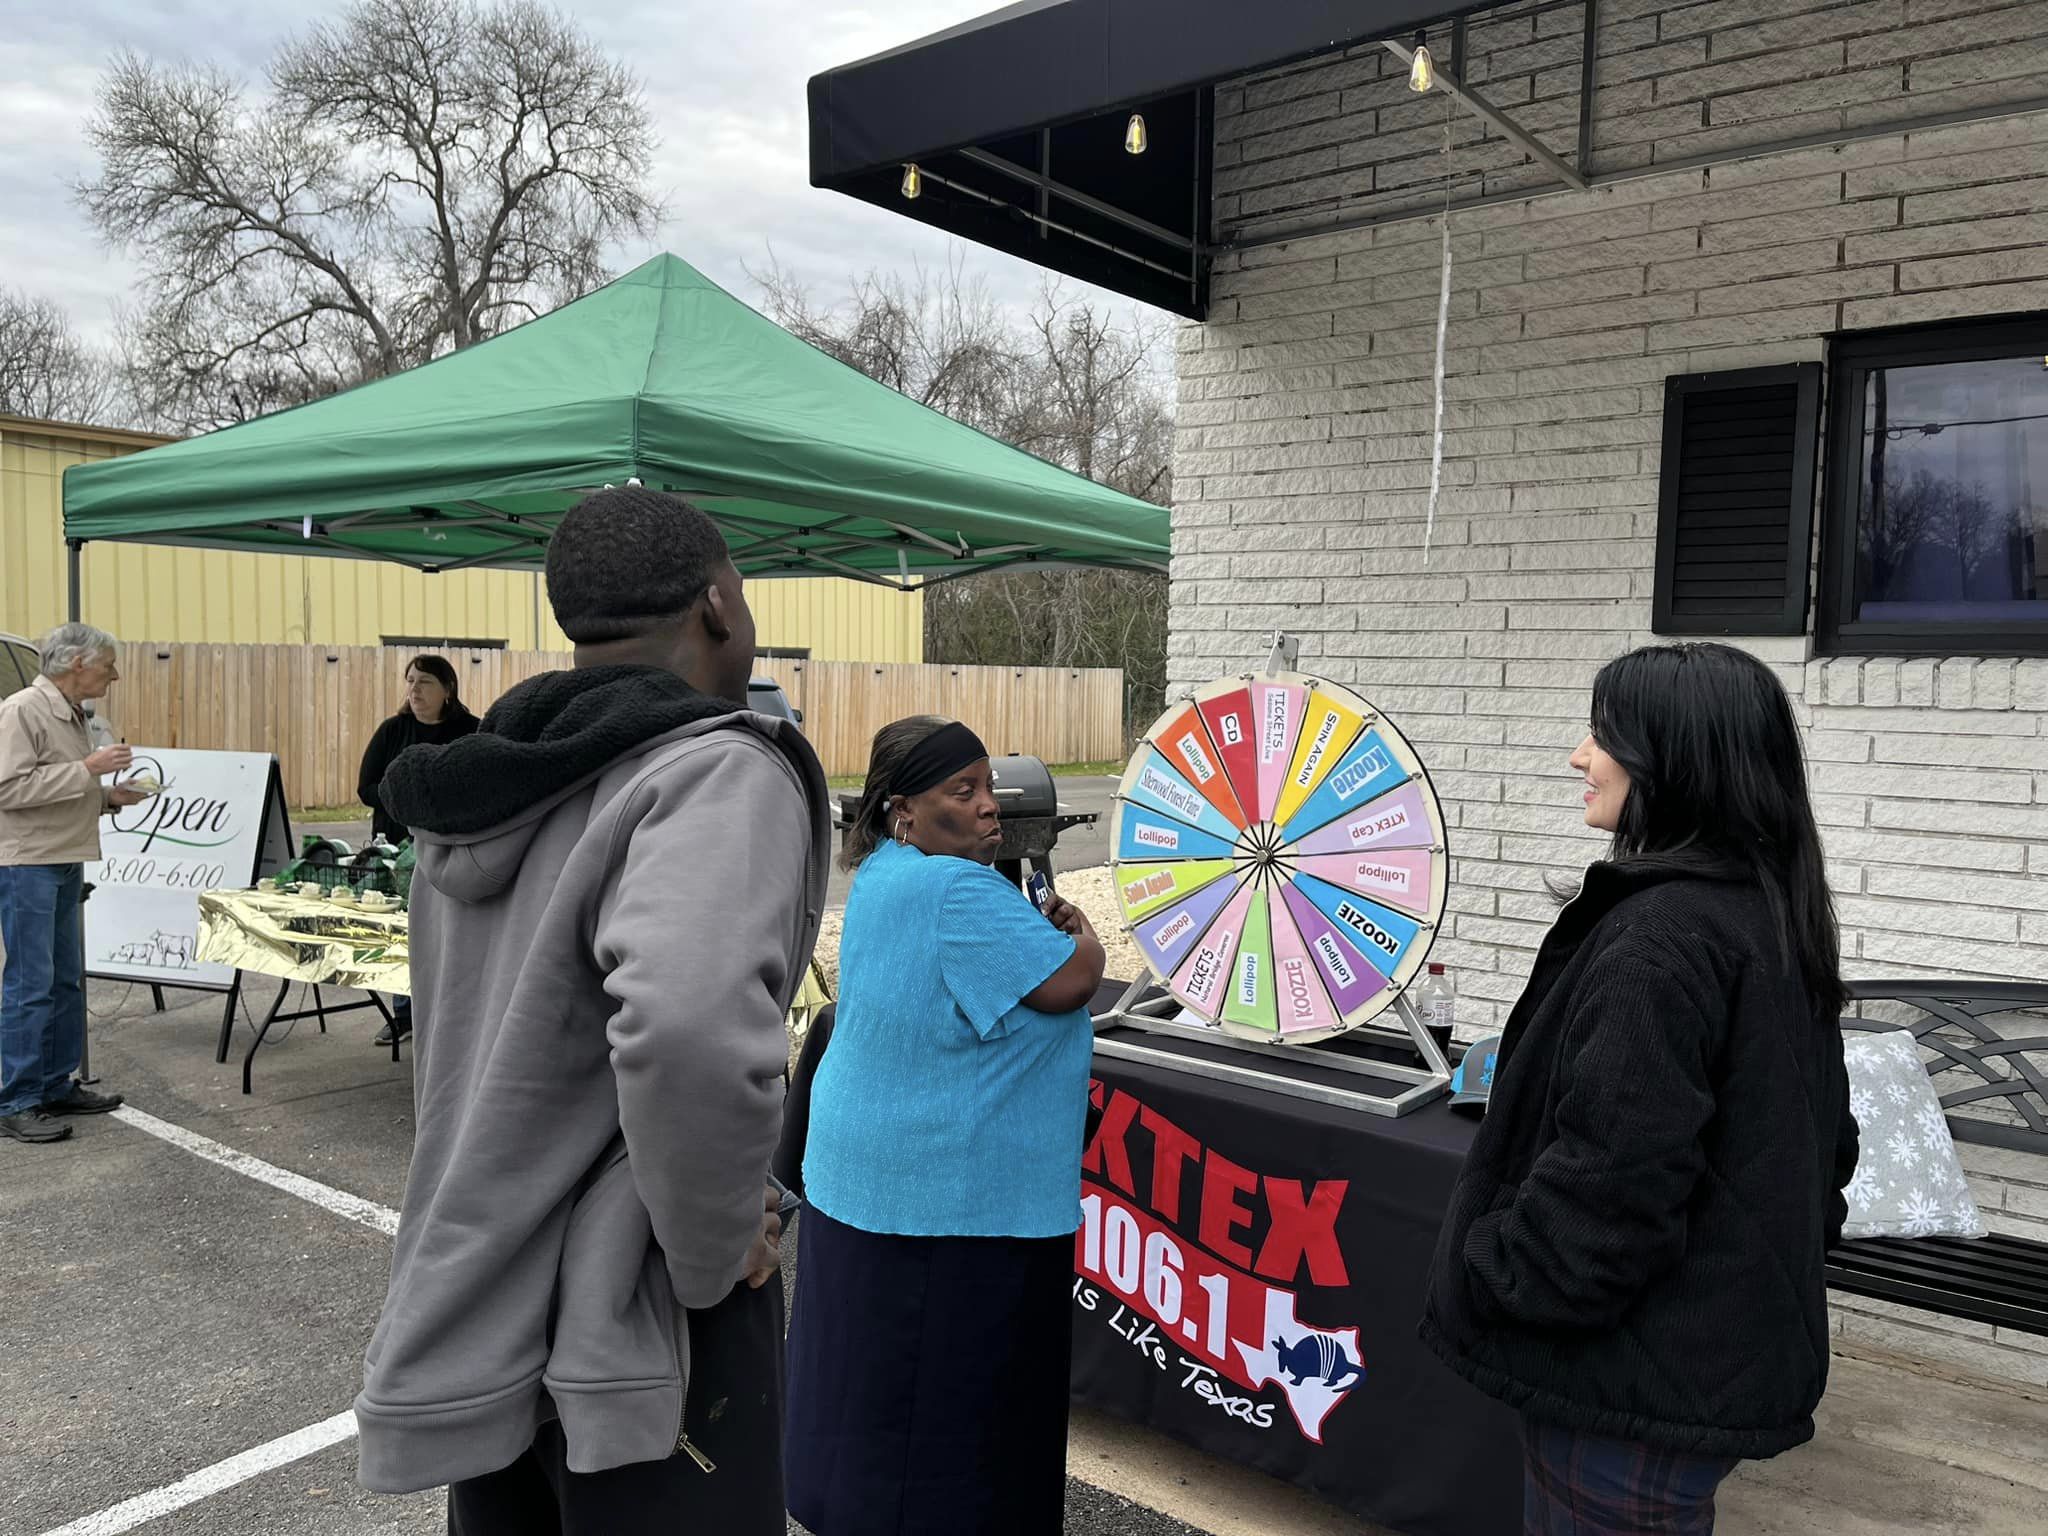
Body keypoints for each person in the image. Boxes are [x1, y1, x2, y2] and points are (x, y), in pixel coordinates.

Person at [353, 488, 830, 1535]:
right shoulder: (708, 768)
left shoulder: (482, 787)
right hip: (641, 1315)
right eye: (740, 594)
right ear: (716, 604)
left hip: (483, 1293)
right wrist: (712, 1257)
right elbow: (688, 1031)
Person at [1419, 642, 1859, 1536]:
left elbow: (1613, 1179)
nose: (1580, 756)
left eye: (1601, 734)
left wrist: (1503, 1270)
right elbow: (1826, 1143)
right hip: (1702, 1364)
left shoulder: (1660, 939)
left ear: (1675, 757)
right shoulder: (1763, 908)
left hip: (1630, 1377)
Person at [784, 715, 1107, 1536]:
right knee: (955, 1428)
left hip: (869, 1186)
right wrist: (1085, 935)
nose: (989, 808)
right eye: (962, 793)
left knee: (872, 1400)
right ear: (903, 812)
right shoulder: (956, 890)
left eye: (989, 787)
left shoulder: (888, 877)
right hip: (951, 1207)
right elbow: (1070, 982)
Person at [0, 624, 149, 1144]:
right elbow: (8, 788)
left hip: (62, 857)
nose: (115, 673)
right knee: (29, 985)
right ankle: (15, 1099)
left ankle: (54, 1083)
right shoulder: (23, 709)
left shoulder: (69, 712)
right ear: (77, 663)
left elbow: (56, 784)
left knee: (64, 980)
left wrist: (110, 797)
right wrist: (89, 769)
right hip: (28, 864)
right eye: (108, 663)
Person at [355, 654, 478, 1045]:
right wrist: (405, 801)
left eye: (424, 682)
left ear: (448, 689)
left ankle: (457, 1016)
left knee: (452, 933)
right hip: (397, 851)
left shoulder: (471, 731)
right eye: (410, 681)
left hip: (454, 849)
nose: (414, 689)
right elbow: (366, 788)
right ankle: (404, 1016)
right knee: (404, 934)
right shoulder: (393, 731)